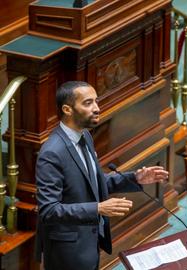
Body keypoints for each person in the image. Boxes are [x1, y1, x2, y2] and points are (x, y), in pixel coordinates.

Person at [35, 81, 169, 270]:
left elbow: (94, 183)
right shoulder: (52, 153)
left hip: (89, 239)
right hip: (68, 251)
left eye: (96, 102)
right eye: (88, 103)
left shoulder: (85, 136)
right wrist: (97, 208)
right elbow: (49, 210)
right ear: (67, 109)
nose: (97, 108)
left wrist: (135, 178)